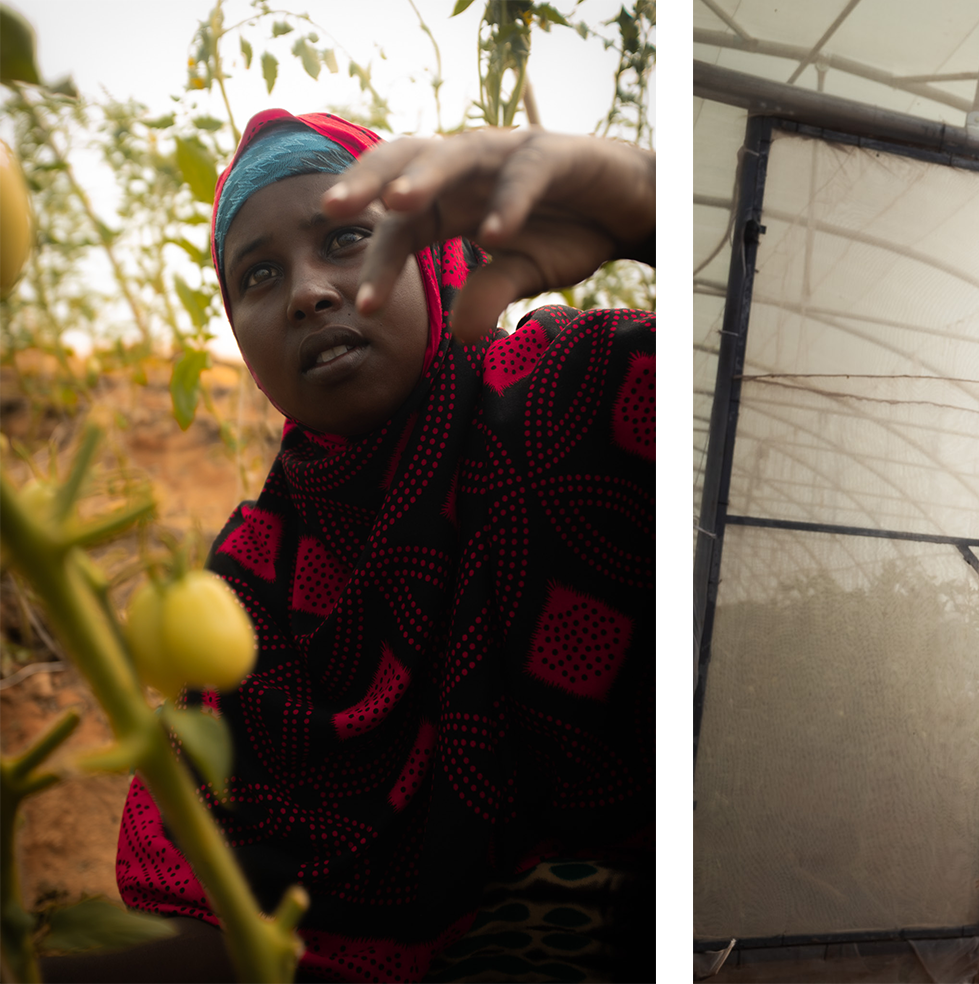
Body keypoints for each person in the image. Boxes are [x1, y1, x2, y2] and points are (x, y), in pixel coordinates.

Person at [43, 110, 655, 983]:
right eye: (258, 274)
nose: (306, 291)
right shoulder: (247, 587)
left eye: (347, 238)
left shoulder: (577, 401)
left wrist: (644, 207)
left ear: (436, 255)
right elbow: (202, 912)